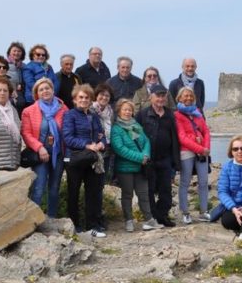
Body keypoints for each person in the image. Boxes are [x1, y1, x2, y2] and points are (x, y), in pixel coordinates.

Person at [62, 84, 108, 238]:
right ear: (75, 100)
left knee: (93, 193)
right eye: (80, 97)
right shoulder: (70, 115)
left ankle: (92, 226)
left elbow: (101, 134)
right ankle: (74, 226)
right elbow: (68, 137)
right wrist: (87, 145)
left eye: (87, 97)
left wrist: (102, 143)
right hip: (75, 159)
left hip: (92, 159)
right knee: (73, 193)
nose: (84, 100)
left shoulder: (94, 116)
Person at [20, 77, 68, 217]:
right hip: (39, 155)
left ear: (53, 90)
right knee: (39, 188)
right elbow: (26, 133)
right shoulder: (29, 111)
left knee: (54, 189)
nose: (45, 91)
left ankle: (51, 218)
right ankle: (34, 219)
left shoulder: (63, 108)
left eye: (47, 88)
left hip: (58, 154)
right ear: (37, 93)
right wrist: (40, 148)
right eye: (41, 89)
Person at [110, 99, 157, 232]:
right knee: (127, 195)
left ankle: (149, 219)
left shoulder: (135, 125)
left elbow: (145, 141)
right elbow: (119, 149)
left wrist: (146, 155)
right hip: (125, 168)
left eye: (130, 110)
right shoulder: (117, 129)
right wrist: (140, 158)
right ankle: (128, 221)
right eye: (125, 109)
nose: (127, 112)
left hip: (140, 167)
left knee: (144, 194)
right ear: (119, 111)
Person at [137, 83, 180, 227]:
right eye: (158, 96)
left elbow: (175, 138)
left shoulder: (170, 115)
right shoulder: (142, 114)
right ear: (151, 97)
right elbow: (134, 134)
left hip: (165, 159)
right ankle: (153, 217)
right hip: (148, 160)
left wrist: (175, 162)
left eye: (163, 96)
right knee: (149, 191)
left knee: (166, 192)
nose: (161, 99)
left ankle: (162, 216)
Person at [175, 85, 211, 224]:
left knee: (203, 182)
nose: (188, 98)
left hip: (202, 151)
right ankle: (185, 212)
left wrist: (206, 147)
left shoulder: (197, 113)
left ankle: (203, 211)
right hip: (187, 151)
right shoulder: (177, 115)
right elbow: (182, 137)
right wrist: (200, 148)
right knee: (185, 182)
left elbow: (206, 131)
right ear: (180, 98)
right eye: (185, 96)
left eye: (191, 96)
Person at [5, 41, 27, 112]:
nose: (16, 53)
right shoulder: (4, 64)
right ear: (9, 52)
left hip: (20, 92)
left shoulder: (24, 66)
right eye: (14, 51)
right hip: (8, 90)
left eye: (19, 51)